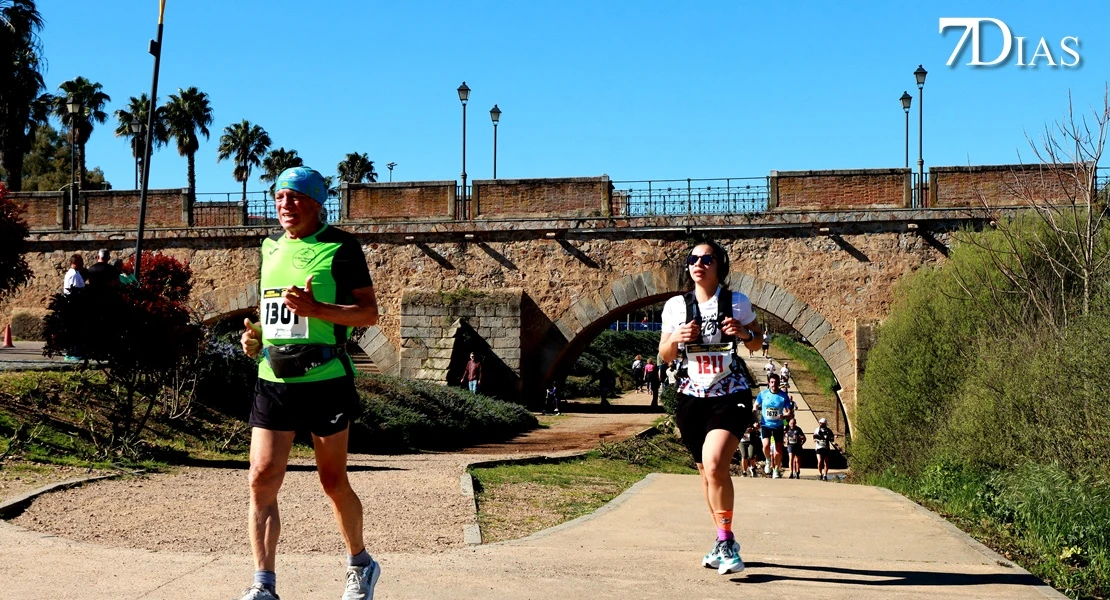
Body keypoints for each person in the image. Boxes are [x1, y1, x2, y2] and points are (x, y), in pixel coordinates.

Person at [238, 167, 381, 600]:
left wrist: (318, 308)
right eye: (280, 197)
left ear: (318, 203)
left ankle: (361, 563)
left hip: (325, 380)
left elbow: (368, 314)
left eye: (296, 198)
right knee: (261, 477)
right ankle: (263, 584)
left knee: (333, 481)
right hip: (273, 378)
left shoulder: (341, 246)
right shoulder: (269, 247)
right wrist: (255, 338)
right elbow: (272, 312)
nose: (286, 205)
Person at [659, 239, 763, 575]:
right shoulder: (676, 306)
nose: (699, 264)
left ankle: (728, 541)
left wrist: (744, 333)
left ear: (720, 266)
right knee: (706, 473)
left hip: (730, 392)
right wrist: (676, 338)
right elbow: (665, 354)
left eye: (707, 259)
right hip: (691, 397)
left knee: (717, 463)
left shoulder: (737, 302)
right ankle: (721, 540)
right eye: (693, 259)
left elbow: (760, 342)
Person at [754, 373, 789, 479]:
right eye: (772, 382)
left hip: (778, 425)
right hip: (765, 424)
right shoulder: (763, 394)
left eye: (776, 382)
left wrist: (784, 416)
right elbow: (755, 405)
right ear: (768, 383)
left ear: (779, 383)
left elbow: (789, 412)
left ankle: (776, 470)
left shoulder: (783, 396)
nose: (774, 384)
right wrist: (755, 418)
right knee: (766, 445)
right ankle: (768, 460)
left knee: (779, 450)